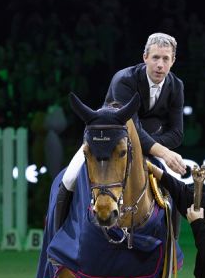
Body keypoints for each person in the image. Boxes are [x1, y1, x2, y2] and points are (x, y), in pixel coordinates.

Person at [53, 32, 187, 227]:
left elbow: (177, 134)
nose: (160, 64)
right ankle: (57, 237)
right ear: (145, 57)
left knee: (173, 182)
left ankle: (170, 245)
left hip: (148, 144)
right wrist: (163, 151)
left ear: (173, 61)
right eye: (155, 57)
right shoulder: (124, 80)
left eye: (166, 59)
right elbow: (133, 128)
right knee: (69, 177)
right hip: (105, 142)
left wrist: (151, 147)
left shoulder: (176, 86)